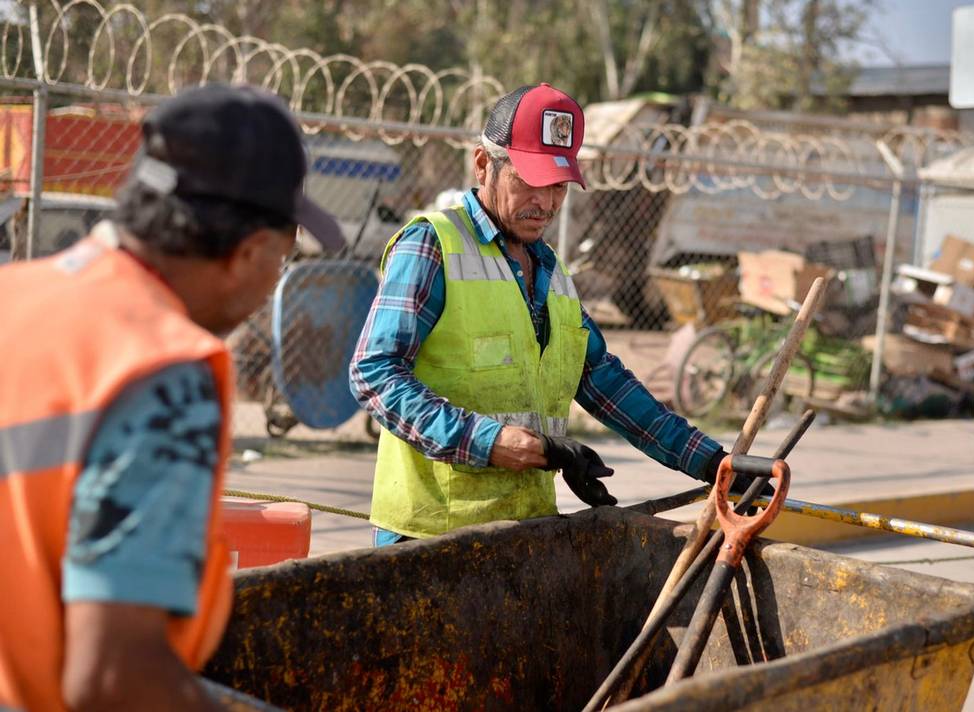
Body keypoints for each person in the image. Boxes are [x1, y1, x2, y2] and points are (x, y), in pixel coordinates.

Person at [0, 84, 344, 711]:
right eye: (283, 258)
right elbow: (113, 678)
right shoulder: (163, 373)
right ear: (248, 252)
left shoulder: (13, 297)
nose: (274, 283)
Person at [350, 83, 756, 546]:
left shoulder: (550, 269)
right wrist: (490, 442)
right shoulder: (432, 245)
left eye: (558, 185)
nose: (545, 203)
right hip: (427, 537)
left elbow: (604, 380)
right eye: (529, 180)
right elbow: (374, 374)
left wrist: (709, 462)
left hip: (524, 533)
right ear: (483, 165)